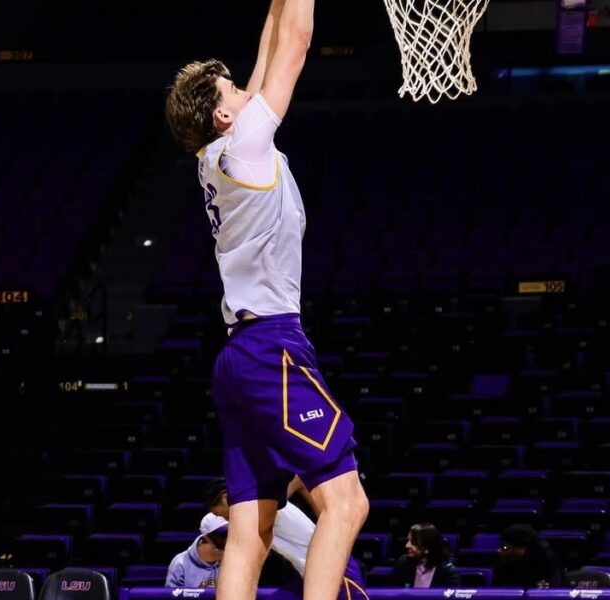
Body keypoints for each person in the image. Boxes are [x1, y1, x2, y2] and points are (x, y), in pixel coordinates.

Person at [164, 0, 370, 598]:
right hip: (268, 348)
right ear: (225, 113)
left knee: (252, 529)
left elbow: (267, 47)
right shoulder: (247, 143)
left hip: (238, 356)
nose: (245, 91)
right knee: (347, 503)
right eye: (234, 90)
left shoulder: (218, 153)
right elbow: (295, 42)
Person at [165, 514, 230, 588]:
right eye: (220, 536)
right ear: (205, 538)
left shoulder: (229, 562)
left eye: (226, 535)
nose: (224, 540)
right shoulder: (180, 563)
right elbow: (171, 594)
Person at [492, 524, 564, 590]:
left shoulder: (547, 561)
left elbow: (553, 588)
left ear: (522, 549)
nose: (499, 551)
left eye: (505, 547)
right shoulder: (502, 564)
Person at [390, 523, 460, 588]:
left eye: (413, 542)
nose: (407, 545)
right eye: (408, 541)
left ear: (427, 547)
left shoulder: (448, 571)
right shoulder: (403, 563)